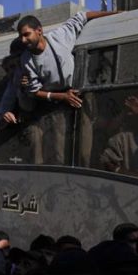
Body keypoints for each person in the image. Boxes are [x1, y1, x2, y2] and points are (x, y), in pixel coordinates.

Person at [16, 9, 118, 163]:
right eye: (20, 36)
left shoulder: (59, 36)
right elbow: (34, 91)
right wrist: (62, 97)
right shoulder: (26, 60)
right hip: (57, 103)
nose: (23, 40)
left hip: (80, 94)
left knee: (85, 148)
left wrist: (117, 13)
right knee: (61, 152)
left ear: (39, 31)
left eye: (26, 34)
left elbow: (82, 16)